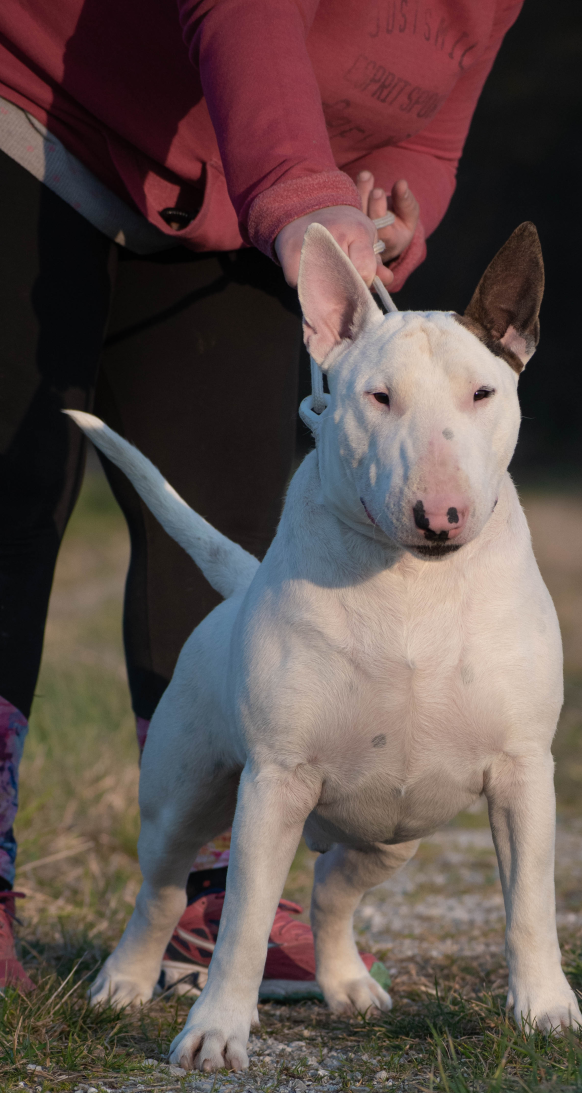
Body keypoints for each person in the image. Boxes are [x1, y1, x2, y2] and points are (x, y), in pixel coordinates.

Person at [0, 0, 524, 991]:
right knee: (9, 497)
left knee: (232, 531)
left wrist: (392, 206)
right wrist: (299, 189)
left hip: (234, 198)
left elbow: (427, 126)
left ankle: (215, 894)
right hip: (39, 114)